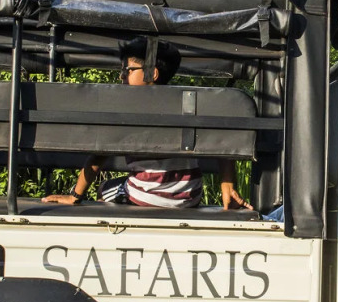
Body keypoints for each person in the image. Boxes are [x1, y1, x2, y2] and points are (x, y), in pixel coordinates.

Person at [44, 38, 250, 210]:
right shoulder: (190, 104)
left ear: (153, 73)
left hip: (145, 195)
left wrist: (75, 195)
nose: (121, 76)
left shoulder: (126, 107)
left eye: (128, 70)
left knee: (105, 188)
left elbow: (100, 153)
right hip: (189, 197)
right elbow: (224, 138)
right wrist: (227, 183)